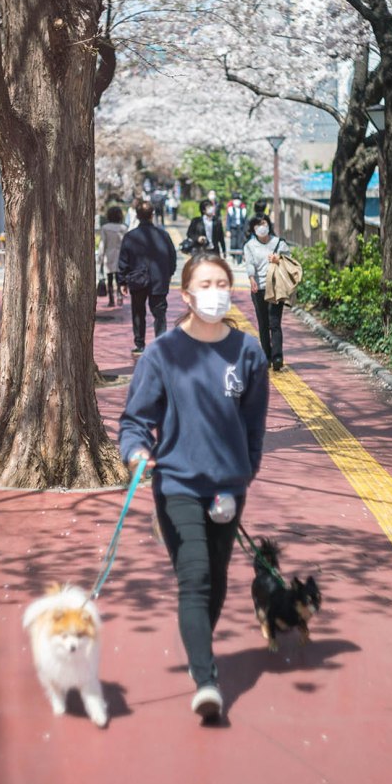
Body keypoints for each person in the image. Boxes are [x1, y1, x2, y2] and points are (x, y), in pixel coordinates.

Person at [119, 254, 269, 722]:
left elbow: (254, 424)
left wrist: (246, 470)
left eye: (222, 283)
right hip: (177, 483)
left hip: (228, 487)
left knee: (218, 579)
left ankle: (197, 645)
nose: (215, 292)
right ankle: (206, 680)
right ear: (186, 295)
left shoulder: (248, 352)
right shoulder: (163, 353)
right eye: (205, 284)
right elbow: (136, 420)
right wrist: (136, 452)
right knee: (196, 577)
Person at [117, 200, 177, 355]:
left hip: (137, 280)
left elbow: (123, 260)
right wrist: (169, 274)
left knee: (138, 312)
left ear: (137, 216)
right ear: (152, 215)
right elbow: (172, 257)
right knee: (159, 314)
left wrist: (122, 281)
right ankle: (161, 342)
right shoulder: (163, 235)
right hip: (159, 280)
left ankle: (140, 344)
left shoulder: (130, 237)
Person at [243, 213, 289, 371]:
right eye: (258, 225)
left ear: (269, 225)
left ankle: (277, 357)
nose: (261, 227)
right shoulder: (249, 246)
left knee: (274, 323)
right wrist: (251, 279)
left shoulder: (279, 243)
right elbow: (250, 264)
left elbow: (289, 260)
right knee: (263, 323)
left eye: (264, 223)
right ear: (253, 228)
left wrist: (279, 259)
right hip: (259, 288)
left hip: (276, 287)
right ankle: (266, 356)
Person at [98, 205, 127, 307]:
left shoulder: (105, 228)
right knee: (119, 277)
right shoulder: (124, 228)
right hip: (120, 256)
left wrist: (100, 258)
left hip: (108, 255)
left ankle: (111, 300)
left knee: (109, 279)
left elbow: (103, 244)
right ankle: (119, 296)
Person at [225, 192, 247, 263]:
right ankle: (233, 257)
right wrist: (227, 230)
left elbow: (245, 221)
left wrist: (246, 231)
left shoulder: (243, 210)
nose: (237, 201)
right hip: (233, 228)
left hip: (241, 229)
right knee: (233, 243)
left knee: (240, 244)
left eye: (238, 199)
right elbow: (228, 221)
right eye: (235, 199)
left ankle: (239, 260)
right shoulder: (230, 209)